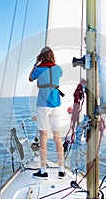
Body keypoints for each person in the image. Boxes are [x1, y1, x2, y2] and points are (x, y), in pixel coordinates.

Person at [29, 46, 65, 179]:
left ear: (41, 57)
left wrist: (36, 63)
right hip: (56, 106)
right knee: (58, 138)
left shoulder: (39, 70)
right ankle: (61, 170)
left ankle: (43, 171)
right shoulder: (58, 69)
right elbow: (59, 74)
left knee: (43, 138)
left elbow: (30, 78)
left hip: (43, 106)